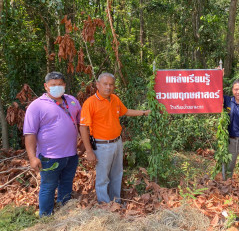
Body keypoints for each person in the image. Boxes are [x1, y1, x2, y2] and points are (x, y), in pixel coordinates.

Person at [79, 72, 150, 203]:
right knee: (103, 178)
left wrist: (144, 113)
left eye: (111, 84)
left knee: (117, 175)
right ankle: (105, 206)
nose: (108, 87)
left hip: (117, 142)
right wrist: (89, 151)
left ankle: (115, 203)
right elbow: (83, 127)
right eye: (105, 84)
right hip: (101, 145)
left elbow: (126, 111)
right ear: (97, 85)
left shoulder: (115, 99)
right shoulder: (90, 103)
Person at [24, 72, 82, 217]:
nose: (57, 87)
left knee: (66, 184)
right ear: (46, 86)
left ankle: (64, 213)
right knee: (48, 187)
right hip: (49, 157)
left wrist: (83, 146)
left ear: (64, 85)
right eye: (53, 85)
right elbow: (30, 133)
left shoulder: (72, 101)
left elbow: (82, 124)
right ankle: (45, 217)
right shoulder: (36, 106)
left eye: (60, 84)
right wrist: (32, 157)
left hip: (71, 155)